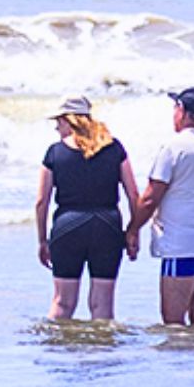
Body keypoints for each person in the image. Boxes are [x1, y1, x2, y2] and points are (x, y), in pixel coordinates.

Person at [126, 87, 194, 325]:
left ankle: (179, 364)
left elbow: (150, 198)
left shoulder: (174, 148)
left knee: (173, 322)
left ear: (182, 111)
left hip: (181, 244)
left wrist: (133, 229)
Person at [35, 95, 140, 320]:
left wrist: (42, 240)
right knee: (102, 304)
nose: (56, 128)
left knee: (63, 303)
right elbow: (133, 194)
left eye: (58, 123)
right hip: (107, 225)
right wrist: (133, 231)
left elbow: (41, 202)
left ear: (67, 121)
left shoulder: (54, 153)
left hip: (67, 227)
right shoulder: (114, 148)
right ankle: (101, 351)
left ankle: (56, 350)